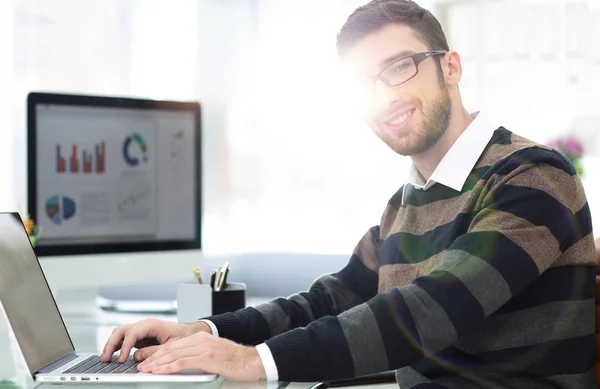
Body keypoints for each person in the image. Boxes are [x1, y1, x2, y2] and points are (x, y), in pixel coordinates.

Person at [101, 0, 597, 387]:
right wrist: (209, 332)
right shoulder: (407, 203)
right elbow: (329, 300)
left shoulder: (531, 177)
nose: (384, 95)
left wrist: (257, 361)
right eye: (363, 81)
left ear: (451, 67)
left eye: (401, 66)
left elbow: (434, 310)